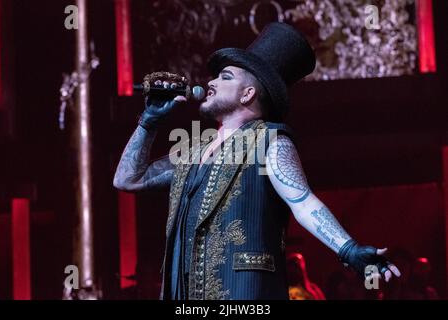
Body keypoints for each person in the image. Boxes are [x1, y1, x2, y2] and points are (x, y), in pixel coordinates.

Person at [113, 22, 401, 300]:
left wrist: (348, 249)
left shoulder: (270, 141)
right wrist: (148, 124)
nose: (211, 82)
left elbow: (303, 202)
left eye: (225, 77)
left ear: (248, 93)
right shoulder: (191, 152)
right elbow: (127, 179)